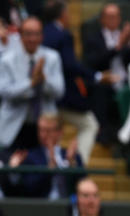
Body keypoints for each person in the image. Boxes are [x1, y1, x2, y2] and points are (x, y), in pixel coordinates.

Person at [42, 0, 104, 164]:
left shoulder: (42, 32)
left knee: (49, 132)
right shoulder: (64, 35)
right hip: (62, 96)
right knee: (90, 125)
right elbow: (70, 66)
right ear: (62, 15)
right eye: (67, 13)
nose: (69, 17)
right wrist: (96, 76)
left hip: (42, 96)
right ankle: (78, 168)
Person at [0, 17, 64, 152]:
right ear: (20, 35)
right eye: (28, 34)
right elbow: (5, 92)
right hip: (14, 126)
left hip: (44, 127)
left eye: (36, 34)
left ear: (42, 36)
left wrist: (44, 79)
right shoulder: (7, 59)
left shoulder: (52, 57)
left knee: (43, 170)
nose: (32, 39)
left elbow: (59, 92)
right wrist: (31, 83)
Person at [82, 3, 130, 143]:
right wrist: (118, 47)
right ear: (102, 19)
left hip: (125, 81)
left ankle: (128, 135)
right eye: (110, 16)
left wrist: (129, 43)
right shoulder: (93, 39)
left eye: (116, 16)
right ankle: (103, 133)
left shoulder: (127, 38)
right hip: (104, 81)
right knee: (99, 90)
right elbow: (94, 63)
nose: (113, 19)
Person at [10, 113, 82, 199]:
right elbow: (29, 187)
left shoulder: (72, 155)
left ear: (60, 132)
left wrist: (71, 165)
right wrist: (49, 170)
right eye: (41, 130)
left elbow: (83, 184)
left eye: (48, 130)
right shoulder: (30, 156)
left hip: (68, 207)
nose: (43, 135)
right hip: (41, 207)